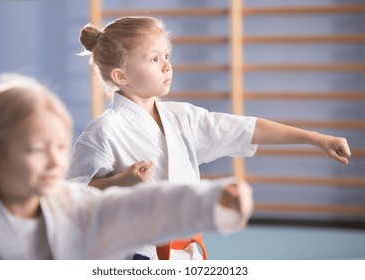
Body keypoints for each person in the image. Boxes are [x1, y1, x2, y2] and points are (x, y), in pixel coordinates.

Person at [67, 16, 351, 260]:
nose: (166, 66)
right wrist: (121, 181)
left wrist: (314, 138)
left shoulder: (183, 118)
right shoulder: (105, 130)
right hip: (135, 256)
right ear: (121, 76)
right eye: (154, 59)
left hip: (190, 251)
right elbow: (69, 199)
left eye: (167, 55)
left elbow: (247, 129)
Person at [0, 73, 254, 260]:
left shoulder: (72, 204)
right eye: (37, 149)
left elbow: (139, 208)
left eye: (61, 147)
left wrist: (212, 200)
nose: (55, 161)